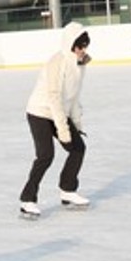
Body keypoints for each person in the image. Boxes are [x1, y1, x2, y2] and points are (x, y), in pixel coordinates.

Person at [19, 22, 92, 218]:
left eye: (85, 46)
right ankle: (28, 199)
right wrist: (63, 129)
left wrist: (76, 124)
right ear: (71, 45)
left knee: (78, 148)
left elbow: (74, 97)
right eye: (80, 46)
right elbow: (53, 96)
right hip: (40, 112)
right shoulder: (57, 62)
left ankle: (67, 190)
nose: (83, 50)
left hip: (60, 112)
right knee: (45, 155)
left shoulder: (79, 65)